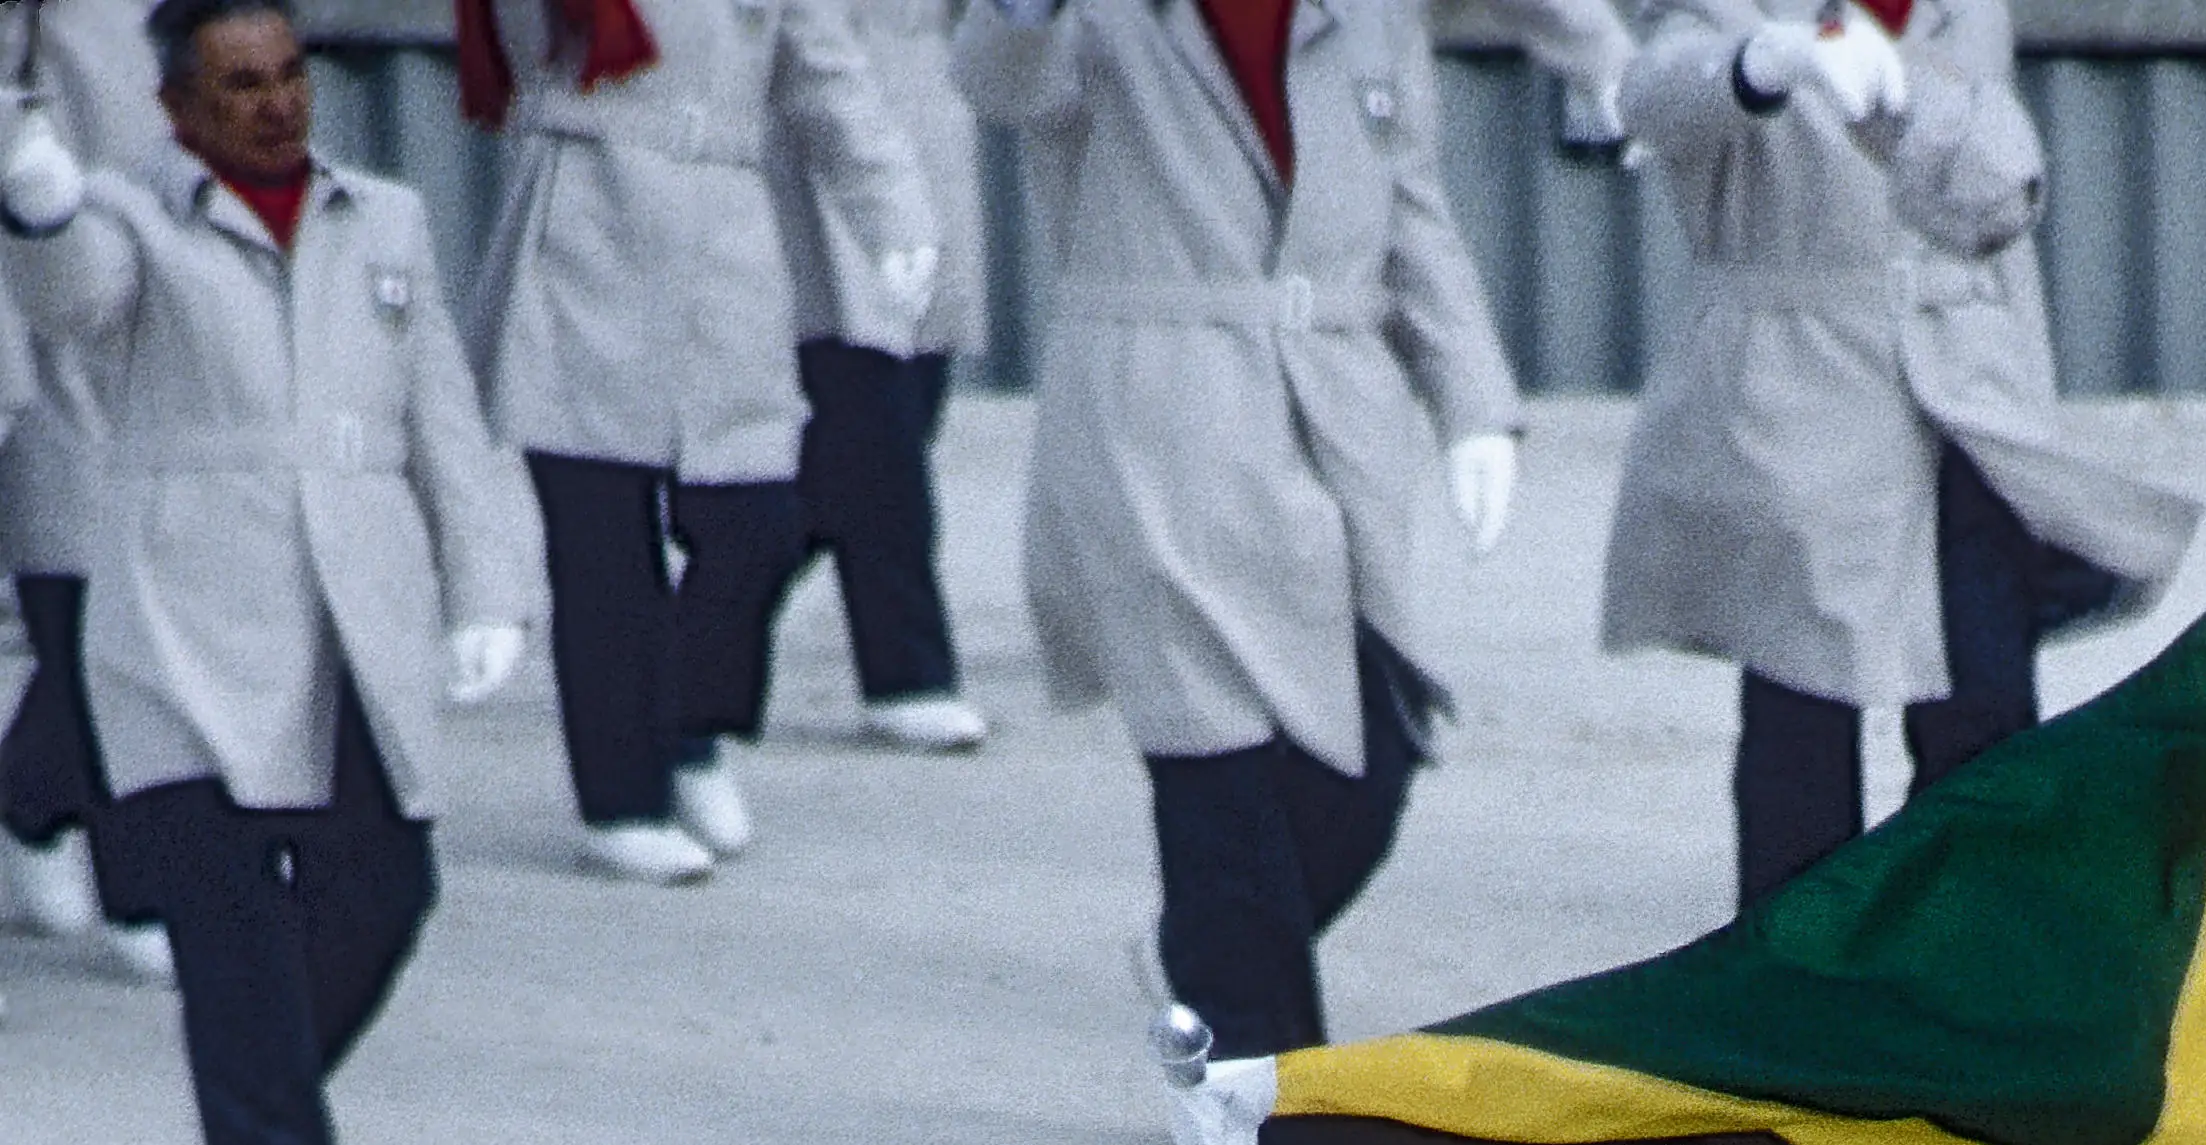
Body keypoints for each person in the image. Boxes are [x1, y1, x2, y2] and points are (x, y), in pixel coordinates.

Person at [0, 1, 538, 1145]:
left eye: (291, 75)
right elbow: (76, 300)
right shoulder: (134, 217)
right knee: (227, 909)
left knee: (387, 887)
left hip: (356, 614)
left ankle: (261, 1082)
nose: (277, 103)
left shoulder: (386, 219)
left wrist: (489, 590)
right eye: (239, 85)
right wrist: (35, 202)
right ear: (178, 111)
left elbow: (445, 427)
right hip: (186, 624)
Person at [955, 0, 1528, 1060]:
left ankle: (1203, 954)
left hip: (1334, 418)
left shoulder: (1366, 16)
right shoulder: (1107, 21)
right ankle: (1259, 1108)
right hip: (1158, 414)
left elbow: (1412, 206)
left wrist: (1474, 405)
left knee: (1370, 763)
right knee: (1216, 764)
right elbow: (1001, 80)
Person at [1600, 0, 2194, 917]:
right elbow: (1647, 97)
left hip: (1963, 391)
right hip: (1795, 385)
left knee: (1985, 708)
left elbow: (2003, 193)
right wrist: (1764, 62)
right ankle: (1788, 1000)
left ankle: (1956, 967)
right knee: (1801, 724)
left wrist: (1909, 98)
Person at [462, 0, 937, 886]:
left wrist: (894, 210)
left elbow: (830, 81)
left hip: (726, 233)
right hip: (585, 214)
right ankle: (620, 804)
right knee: (602, 545)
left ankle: (687, 728)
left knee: (757, 521)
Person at [759, 0, 992, 751]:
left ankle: (696, 632)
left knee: (888, 425)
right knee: (867, 418)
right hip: (824, 116)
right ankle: (908, 673)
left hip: (927, 101)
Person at [0, 0, 174, 977]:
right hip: (41, 236)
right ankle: (140, 873)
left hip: (162, 222)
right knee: (85, 557)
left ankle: (32, 792)